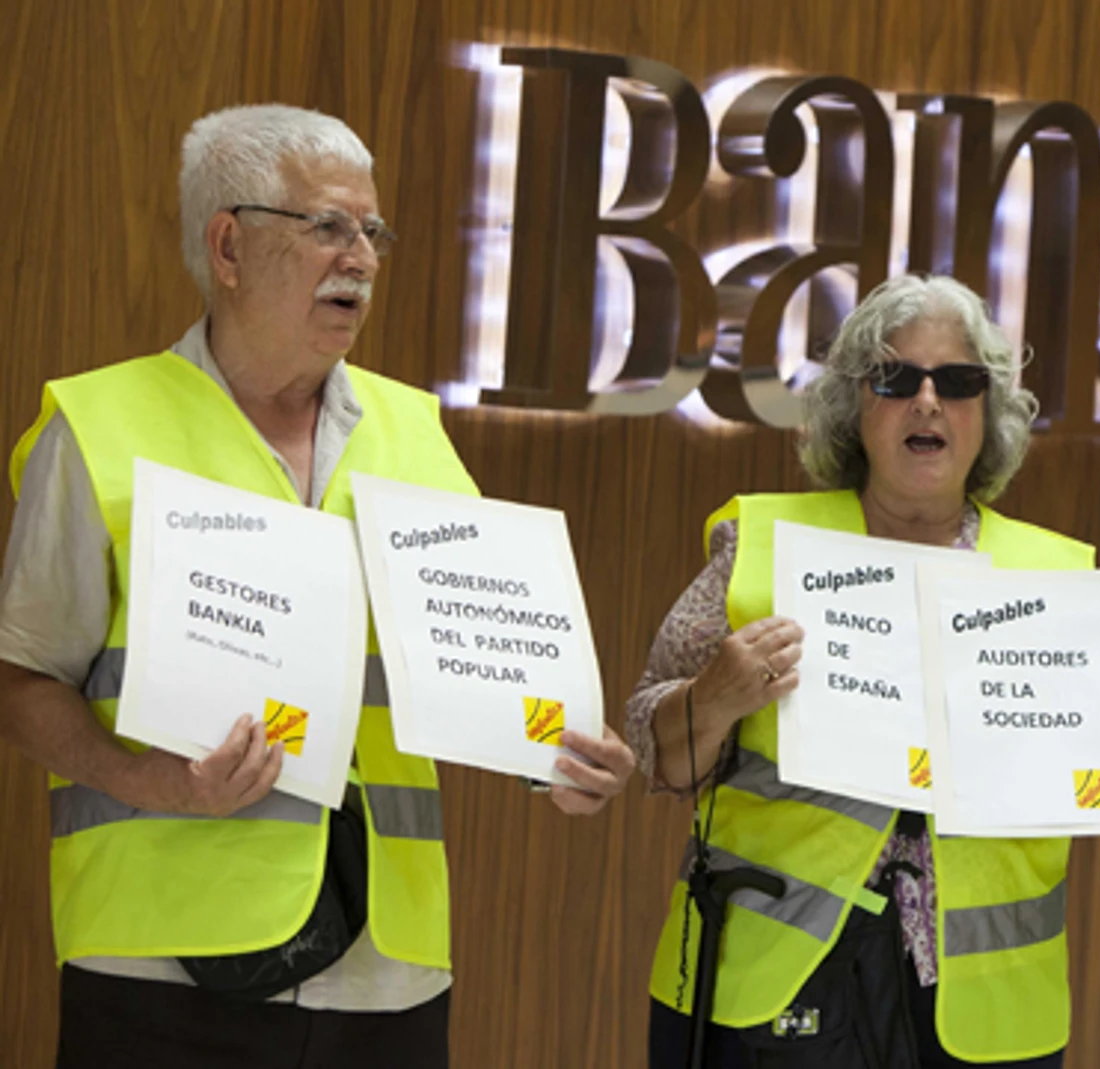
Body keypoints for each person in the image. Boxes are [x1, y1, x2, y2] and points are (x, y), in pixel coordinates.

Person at [0, 103, 635, 1068]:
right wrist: (156, 782)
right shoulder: (96, 427)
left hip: (387, 974)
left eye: (372, 231)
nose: (364, 258)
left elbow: (479, 668)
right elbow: (21, 677)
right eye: (329, 227)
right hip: (160, 972)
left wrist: (555, 754)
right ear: (228, 245)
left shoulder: (415, 433)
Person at [628, 274, 1100, 1068]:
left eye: (959, 382)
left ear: (986, 414)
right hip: (770, 987)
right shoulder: (760, 546)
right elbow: (651, 748)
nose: (928, 401)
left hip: (985, 1010)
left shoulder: (1054, 581)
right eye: (897, 378)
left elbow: (1097, 772)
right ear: (856, 406)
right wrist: (714, 697)